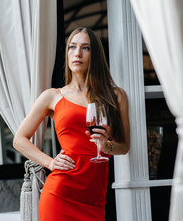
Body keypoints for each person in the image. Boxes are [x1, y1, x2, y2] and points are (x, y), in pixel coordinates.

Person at [13, 27, 130, 221]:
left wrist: (106, 146)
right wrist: (50, 162)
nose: (77, 53)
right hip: (59, 194)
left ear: (95, 55)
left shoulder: (115, 96)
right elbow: (19, 140)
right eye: (72, 47)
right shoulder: (52, 96)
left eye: (85, 48)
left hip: (94, 198)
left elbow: (124, 147)